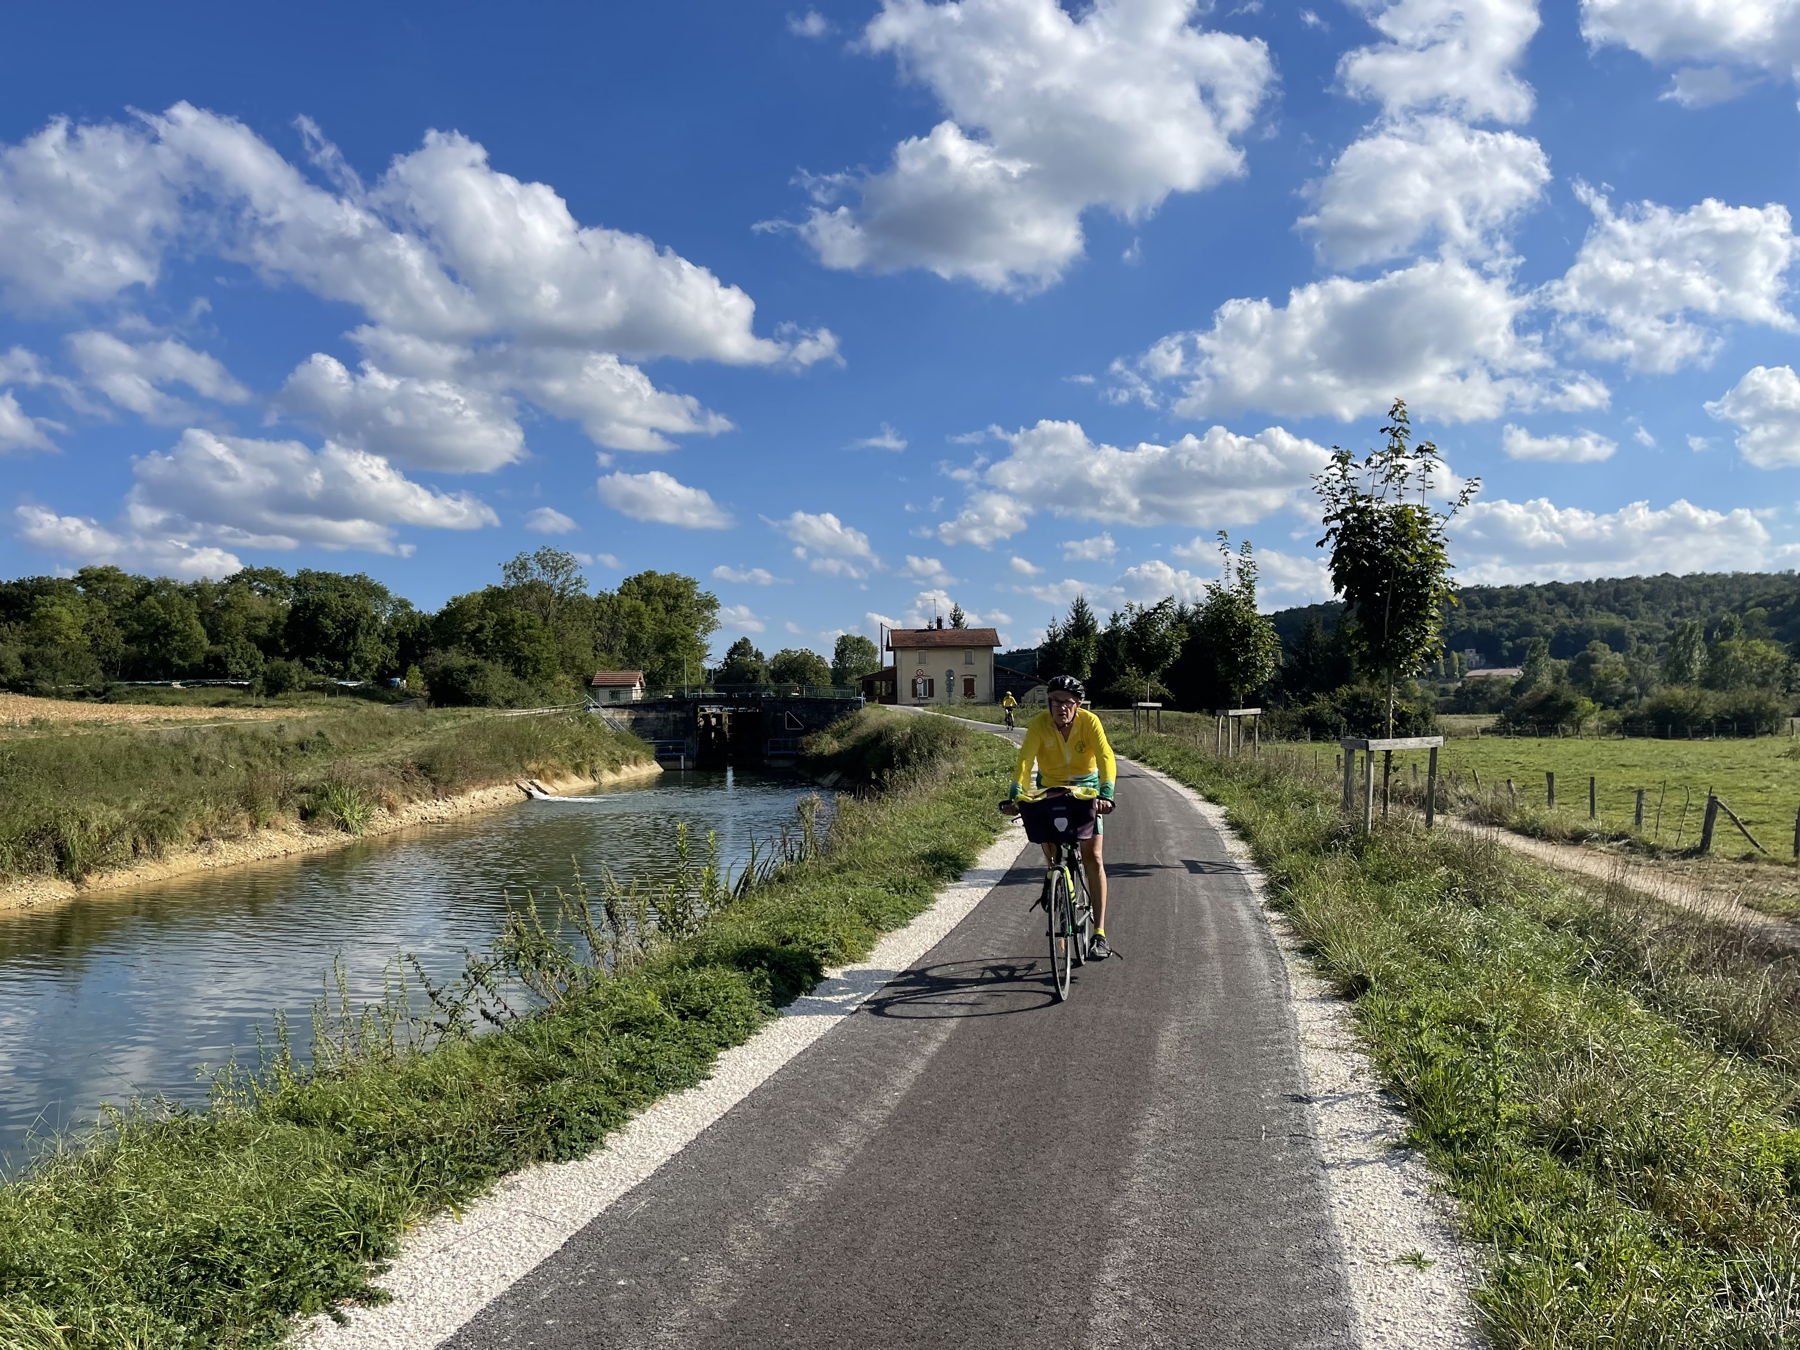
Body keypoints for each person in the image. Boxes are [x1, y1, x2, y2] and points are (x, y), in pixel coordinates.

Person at [999, 674, 1118, 959]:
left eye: (1067, 702)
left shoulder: (1090, 722)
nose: (1060, 707)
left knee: (1094, 857)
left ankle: (1099, 934)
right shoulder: (1040, 724)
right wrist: (1016, 793)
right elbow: (1026, 760)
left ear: (1078, 705)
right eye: (1055, 701)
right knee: (1050, 845)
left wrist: (1106, 793)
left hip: (1086, 790)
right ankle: (1055, 879)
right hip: (1051, 788)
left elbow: (1105, 757)